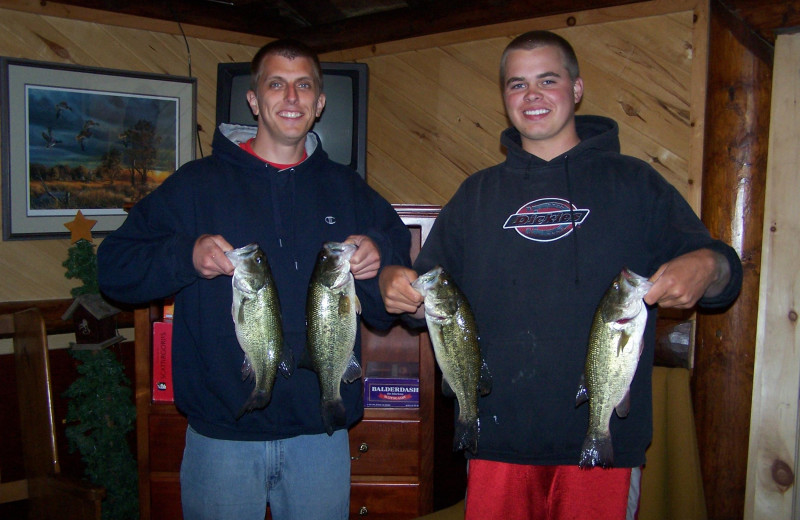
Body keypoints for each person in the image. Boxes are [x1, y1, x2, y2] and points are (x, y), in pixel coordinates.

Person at [379, 30, 742, 520]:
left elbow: (723, 275)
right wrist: (397, 288)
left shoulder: (637, 183)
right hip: (496, 440)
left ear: (576, 89)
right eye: (516, 84)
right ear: (504, 96)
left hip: (603, 444)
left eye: (547, 80)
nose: (531, 96)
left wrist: (709, 264)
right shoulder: (474, 196)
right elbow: (427, 301)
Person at [97, 39, 411, 520]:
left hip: (319, 438)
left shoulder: (349, 190)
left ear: (319, 102)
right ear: (253, 98)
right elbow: (114, 268)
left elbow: (388, 288)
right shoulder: (196, 184)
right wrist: (186, 255)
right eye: (276, 84)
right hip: (221, 437)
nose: (291, 98)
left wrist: (378, 258)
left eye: (303, 85)